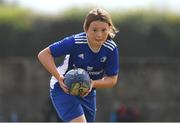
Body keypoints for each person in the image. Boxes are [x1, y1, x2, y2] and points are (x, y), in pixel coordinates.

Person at [38, 8, 119, 122]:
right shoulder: (75, 42)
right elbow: (44, 54)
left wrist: (93, 83)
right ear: (86, 29)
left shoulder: (111, 48)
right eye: (94, 30)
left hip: (87, 92)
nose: (99, 35)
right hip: (63, 88)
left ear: (109, 29)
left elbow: (112, 79)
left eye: (103, 30)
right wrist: (59, 77)